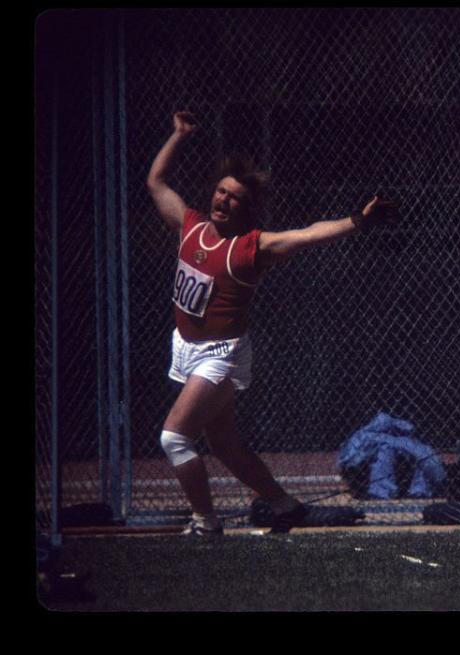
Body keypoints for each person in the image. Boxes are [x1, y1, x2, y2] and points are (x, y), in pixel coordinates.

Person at [146, 111, 398, 535]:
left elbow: (307, 234)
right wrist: (178, 135)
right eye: (221, 192)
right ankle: (284, 505)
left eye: (235, 199)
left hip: (220, 355)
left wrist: (358, 221)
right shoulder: (191, 227)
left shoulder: (252, 248)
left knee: (174, 439)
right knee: (223, 442)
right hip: (185, 348)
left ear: (247, 210)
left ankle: (205, 522)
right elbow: (156, 182)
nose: (223, 201)